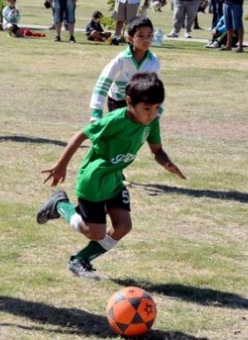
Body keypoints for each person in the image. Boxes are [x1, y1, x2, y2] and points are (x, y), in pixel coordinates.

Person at [38, 72, 185, 280]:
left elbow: (157, 150)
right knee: (95, 232)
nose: (151, 114)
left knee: (123, 226)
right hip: (93, 182)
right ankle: (60, 206)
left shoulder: (152, 123)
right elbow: (82, 134)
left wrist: (167, 163)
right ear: (129, 102)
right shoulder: (116, 120)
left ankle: (81, 260)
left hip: (115, 179)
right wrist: (61, 165)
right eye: (146, 109)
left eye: (156, 108)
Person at [89, 16, 159, 122]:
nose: (146, 39)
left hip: (138, 104)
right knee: (119, 133)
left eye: (149, 35)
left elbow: (155, 89)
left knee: (134, 135)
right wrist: (96, 111)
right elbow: (103, 82)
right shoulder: (121, 59)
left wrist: (156, 112)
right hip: (117, 101)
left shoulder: (154, 61)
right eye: (141, 36)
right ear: (130, 38)